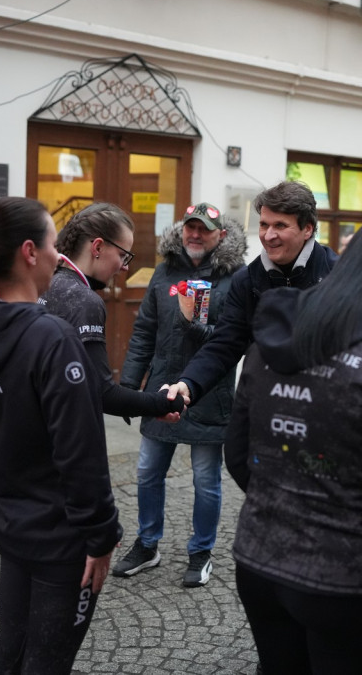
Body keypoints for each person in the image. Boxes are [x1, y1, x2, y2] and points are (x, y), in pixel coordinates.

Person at [225, 220, 362, 675]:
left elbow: (238, 454)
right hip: (350, 584)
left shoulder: (270, 340)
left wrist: (289, 499)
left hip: (260, 562)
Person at [0, 197, 140, 673]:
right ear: (30, 252)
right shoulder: (50, 337)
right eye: (54, 244)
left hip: (12, 523)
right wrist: (101, 536)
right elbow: (80, 450)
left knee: (9, 655)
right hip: (59, 539)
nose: (60, 255)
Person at [111, 203, 246, 586]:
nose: (195, 235)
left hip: (209, 393)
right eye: (190, 229)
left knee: (205, 479)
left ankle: (201, 551)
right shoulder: (164, 271)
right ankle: (148, 543)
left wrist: (196, 325)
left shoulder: (235, 277)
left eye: (204, 229)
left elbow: (231, 340)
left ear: (220, 235)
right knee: (147, 471)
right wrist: (127, 389)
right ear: (181, 232)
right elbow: (143, 334)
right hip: (161, 390)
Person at [167, 181, 337, 408]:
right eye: (264, 225)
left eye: (280, 225)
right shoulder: (246, 280)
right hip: (264, 402)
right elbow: (225, 344)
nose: (268, 235)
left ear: (307, 228)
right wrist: (189, 383)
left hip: (325, 404)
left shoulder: (338, 274)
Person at [39, 201, 184, 423]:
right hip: (62, 434)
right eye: (123, 255)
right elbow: (102, 391)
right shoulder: (85, 300)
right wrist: (163, 402)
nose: (125, 267)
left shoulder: (43, 283)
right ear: (97, 247)